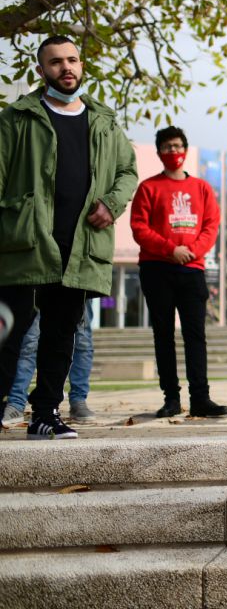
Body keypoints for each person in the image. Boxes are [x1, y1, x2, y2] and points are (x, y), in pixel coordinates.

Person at [0, 35, 138, 439]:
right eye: (56, 62)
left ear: (82, 65)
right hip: (25, 243)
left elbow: (127, 172)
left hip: (79, 247)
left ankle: (44, 414)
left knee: (62, 334)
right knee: (9, 331)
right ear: (41, 70)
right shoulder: (17, 118)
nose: (66, 67)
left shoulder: (103, 121)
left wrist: (111, 204)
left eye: (72, 59)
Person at [129, 126, 227, 418]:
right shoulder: (148, 188)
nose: (173, 151)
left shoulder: (201, 188)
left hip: (192, 270)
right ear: (159, 152)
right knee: (163, 335)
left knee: (195, 335)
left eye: (177, 145)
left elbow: (211, 226)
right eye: (167, 147)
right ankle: (171, 398)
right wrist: (170, 249)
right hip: (157, 268)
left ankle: (201, 398)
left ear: (185, 149)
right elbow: (139, 228)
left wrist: (193, 250)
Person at [4, 302, 96, 425]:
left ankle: (78, 400)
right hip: (37, 287)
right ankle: (16, 402)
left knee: (82, 340)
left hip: (80, 286)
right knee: (28, 342)